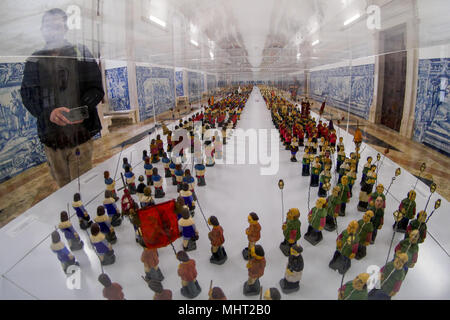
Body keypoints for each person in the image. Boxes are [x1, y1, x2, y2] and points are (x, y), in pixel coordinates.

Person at [20, 8, 104, 188]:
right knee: (64, 189)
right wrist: (48, 113)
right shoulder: (34, 60)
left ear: (66, 29)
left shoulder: (81, 53)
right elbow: (28, 95)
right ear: (42, 29)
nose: (53, 30)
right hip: (52, 141)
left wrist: (83, 108)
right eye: (49, 26)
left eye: (58, 26)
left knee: (84, 188)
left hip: (80, 137)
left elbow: (96, 89)